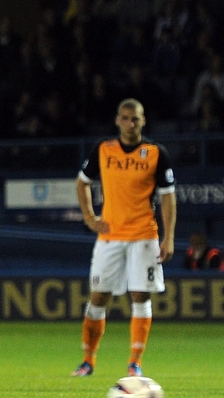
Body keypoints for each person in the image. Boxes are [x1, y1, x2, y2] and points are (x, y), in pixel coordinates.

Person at [72, 98, 176, 378]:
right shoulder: (104, 150)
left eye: (136, 119)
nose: (131, 123)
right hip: (110, 236)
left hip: (144, 234)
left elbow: (168, 198)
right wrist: (89, 218)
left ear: (143, 121)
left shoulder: (155, 153)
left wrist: (168, 238)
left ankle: (134, 363)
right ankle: (88, 360)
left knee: (140, 295)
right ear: (117, 120)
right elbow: (82, 182)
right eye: (126, 118)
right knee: (98, 297)